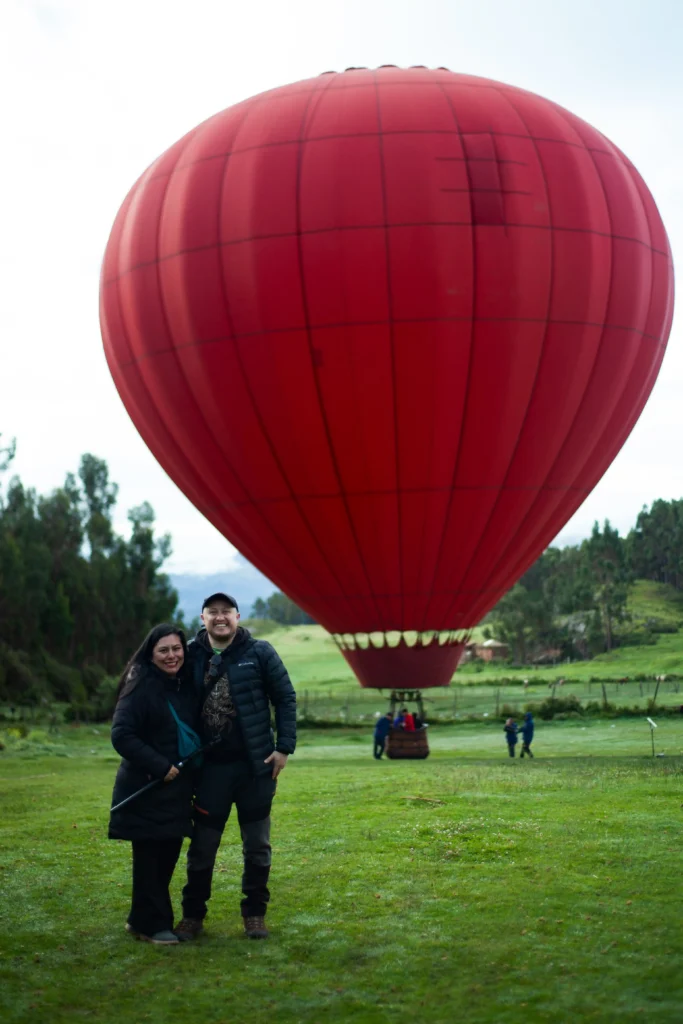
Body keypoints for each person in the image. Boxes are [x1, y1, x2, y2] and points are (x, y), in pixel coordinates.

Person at [175, 593, 296, 942]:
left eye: (226, 611)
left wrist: (284, 748)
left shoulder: (261, 652)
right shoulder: (190, 654)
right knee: (203, 845)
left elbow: (285, 697)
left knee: (257, 844)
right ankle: (192, 915)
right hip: (210, 769)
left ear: (238, 616)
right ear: (202, 618)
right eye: (212, 612)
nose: (220, 617)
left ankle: (255, 914)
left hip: (256, 768)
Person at [109, 624, 198, 946]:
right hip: (146, 787)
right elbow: (121, 735)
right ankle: (154, 926)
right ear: (151, 654)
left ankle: (138, 920)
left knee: (166, 857)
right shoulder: (141, 685)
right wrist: (160, 767)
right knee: (151, 860)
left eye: (177, 649)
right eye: (164, 650)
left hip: (174, 790)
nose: (172, 655)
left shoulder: (179, 685)